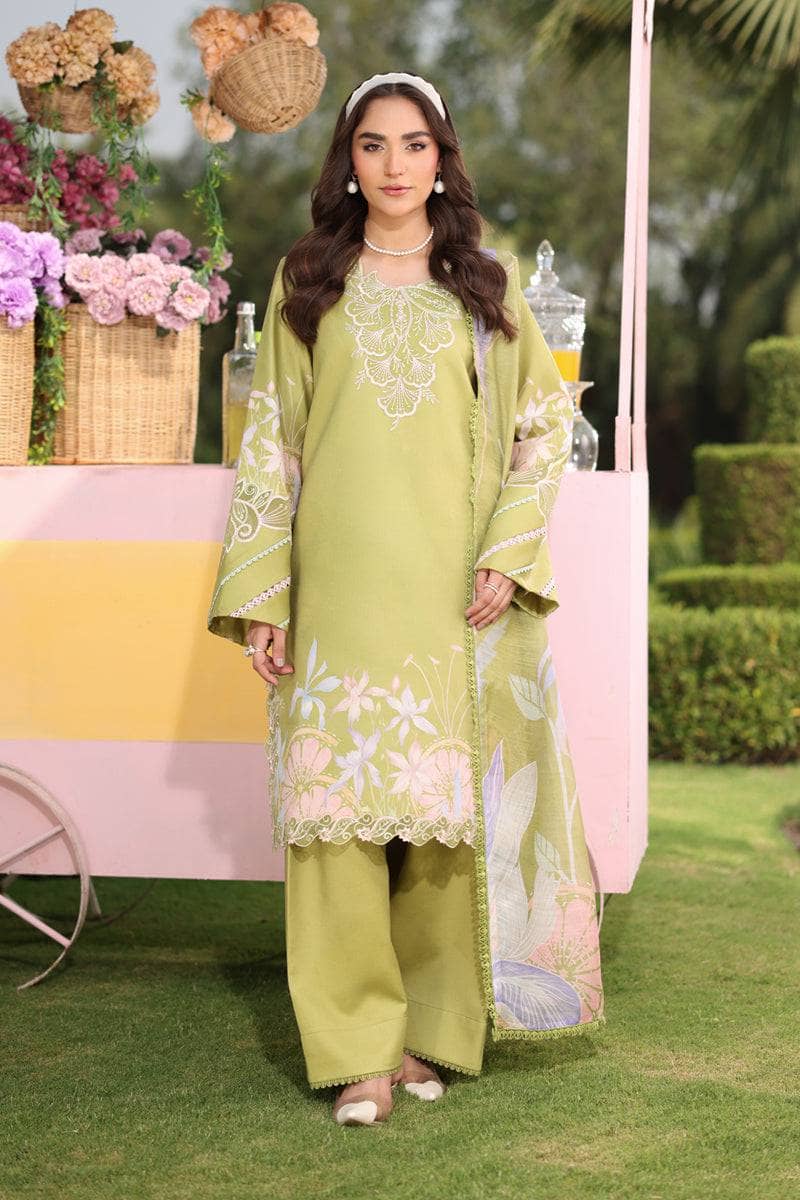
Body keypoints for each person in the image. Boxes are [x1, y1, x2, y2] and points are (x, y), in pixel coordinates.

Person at [207, 71, 604, 1126]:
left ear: (441, 159)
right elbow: (270, 453)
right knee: (334, 818)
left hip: (447, 587)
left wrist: (506, 557)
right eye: (372, 146)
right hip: (337, 588)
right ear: (347, 160)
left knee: (440, 823)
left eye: (413, 145)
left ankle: (430, 1036)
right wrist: (265, 601)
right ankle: (356, 1056)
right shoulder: (307, 281)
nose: (392, 166)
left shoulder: (484, 283)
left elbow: (542, 427)